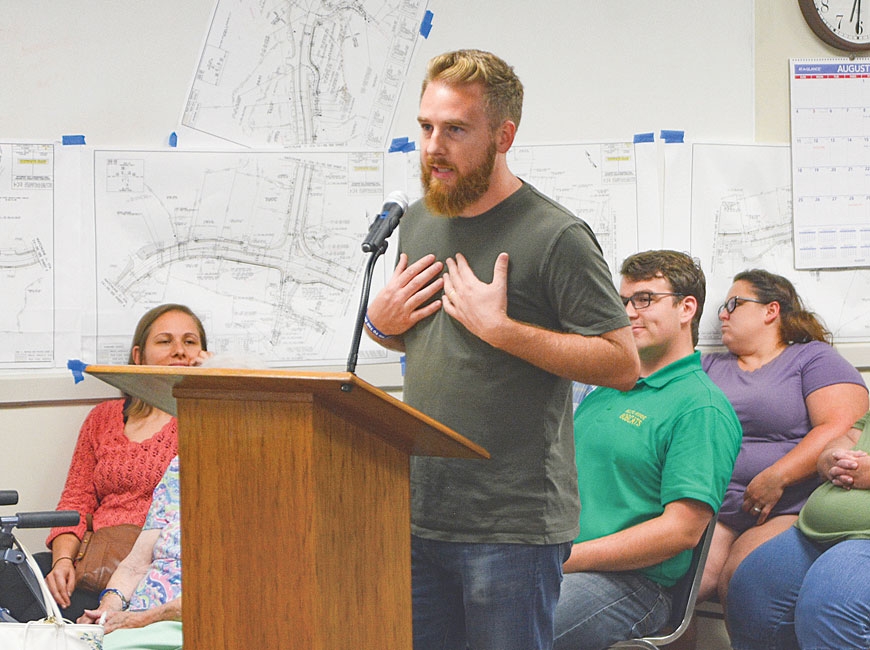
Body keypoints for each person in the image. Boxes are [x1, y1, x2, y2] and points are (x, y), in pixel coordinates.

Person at [364, 49, 640, 650]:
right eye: (426, 127)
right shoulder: (417, 221)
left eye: (456, 130)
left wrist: (506, 331)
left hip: (511, 524)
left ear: (504, 134)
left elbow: (623, 363)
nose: (434, 146)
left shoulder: (556, 236)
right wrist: (379, 325)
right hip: (421, 509)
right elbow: (412, 333)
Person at [553, 250, 741, 650]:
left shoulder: (700, 406)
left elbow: (680, 532)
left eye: (645, 299)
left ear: (686, 307)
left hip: (633, 585)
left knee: (513, 629)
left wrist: (570, 558)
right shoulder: (607, 387)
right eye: (623, 302)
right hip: (561, 563)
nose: (628, 313)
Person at [0, 303, 209, 622]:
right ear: (138, 356)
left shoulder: (208, 422)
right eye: (165, 341)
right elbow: (75, 500)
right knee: (13, 578)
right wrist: (62, 563)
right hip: (89, 563)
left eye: (190, 342)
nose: (179, 350)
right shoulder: (103, 418)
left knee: (54, 621)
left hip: (149, 574)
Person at [698, 270, 867, 611]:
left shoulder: (812, 357)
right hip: (718, 506)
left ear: (770, 310)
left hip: (787, 504)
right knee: (680, 586)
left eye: (734, 303)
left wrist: (778, 476)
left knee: (743, 579)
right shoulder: (709, 365)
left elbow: (840, 428)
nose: (723, 314)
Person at [727, 413, 870, 649]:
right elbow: (849, 436)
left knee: (829, 605)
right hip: (814, 532)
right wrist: (831, 458)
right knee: (752, 589)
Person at [78, 455, 183, 650]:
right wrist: (106, 611)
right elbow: (135, 566)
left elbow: (221, 598)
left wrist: (141, 619)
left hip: (182, 626)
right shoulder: (181, 466)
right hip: (135, 622)